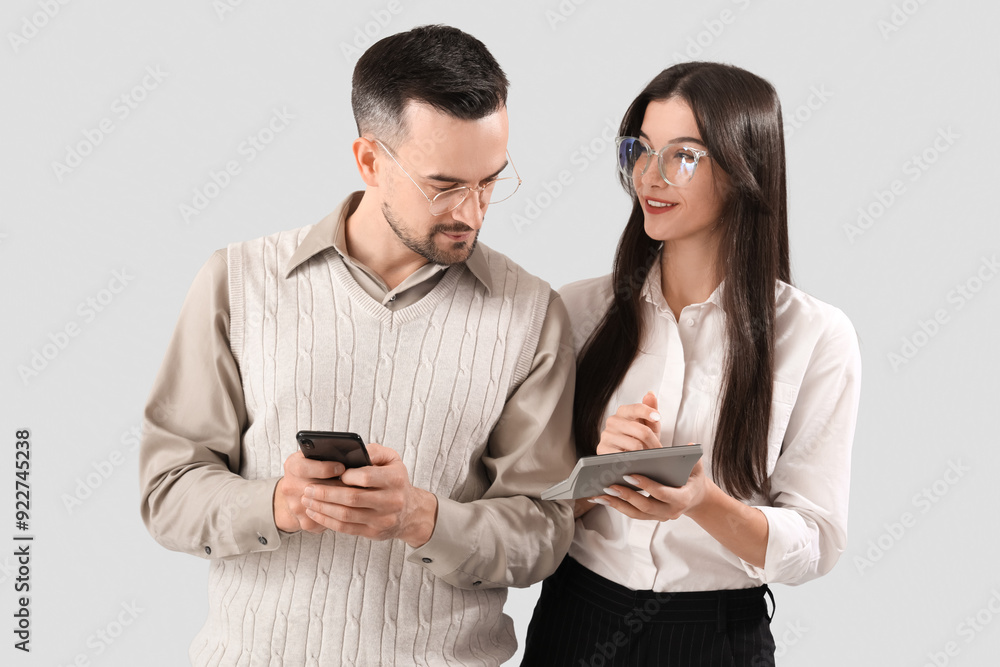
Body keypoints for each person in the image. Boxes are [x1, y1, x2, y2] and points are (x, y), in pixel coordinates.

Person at [139, 25, 578, 666]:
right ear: (369, 160)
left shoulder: (532, 313)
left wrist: (424, 519)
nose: (473, 211)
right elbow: (167, 490)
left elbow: (543, 529)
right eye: (444, 185)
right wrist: (275, 503)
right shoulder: (237, 281)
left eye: (490, 181)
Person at [521, 62, 862, 666]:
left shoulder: (815, 336)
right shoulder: (577, 311)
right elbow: (522, 503)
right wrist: (596, 474)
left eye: (683, 156)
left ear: (743, 168)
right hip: (576, 618)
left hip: (714, 637)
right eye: (640, 150)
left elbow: (815, 543)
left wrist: (702, 501)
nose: (649, 176)